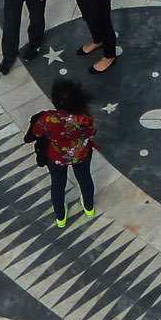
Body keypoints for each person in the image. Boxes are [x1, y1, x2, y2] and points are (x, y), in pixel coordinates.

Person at [25, 79, 99, 227]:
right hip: (81, 154)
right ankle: (89, 207)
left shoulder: (48, 118)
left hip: (57, 156)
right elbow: (92, 132)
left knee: (58, 184)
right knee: (84, 179)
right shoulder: (85, 116)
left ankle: (60, 217)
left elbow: (36, 132)